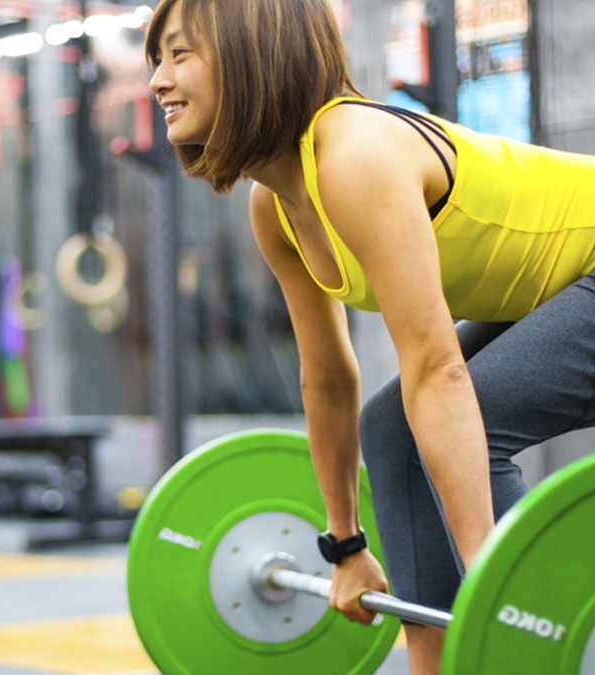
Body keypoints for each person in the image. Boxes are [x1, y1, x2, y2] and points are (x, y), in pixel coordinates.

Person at [146, 0, 595, 673]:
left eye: (180, 54)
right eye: (157, 58)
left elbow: (437, 370)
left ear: (251, 54)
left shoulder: (356, 154)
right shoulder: (276, 207)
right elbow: (329, 378)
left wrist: (498, 589)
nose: (157, 80)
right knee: (391, 426)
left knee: (471, 410)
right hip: (563, 284)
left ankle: (528, 622)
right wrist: (346, 547)